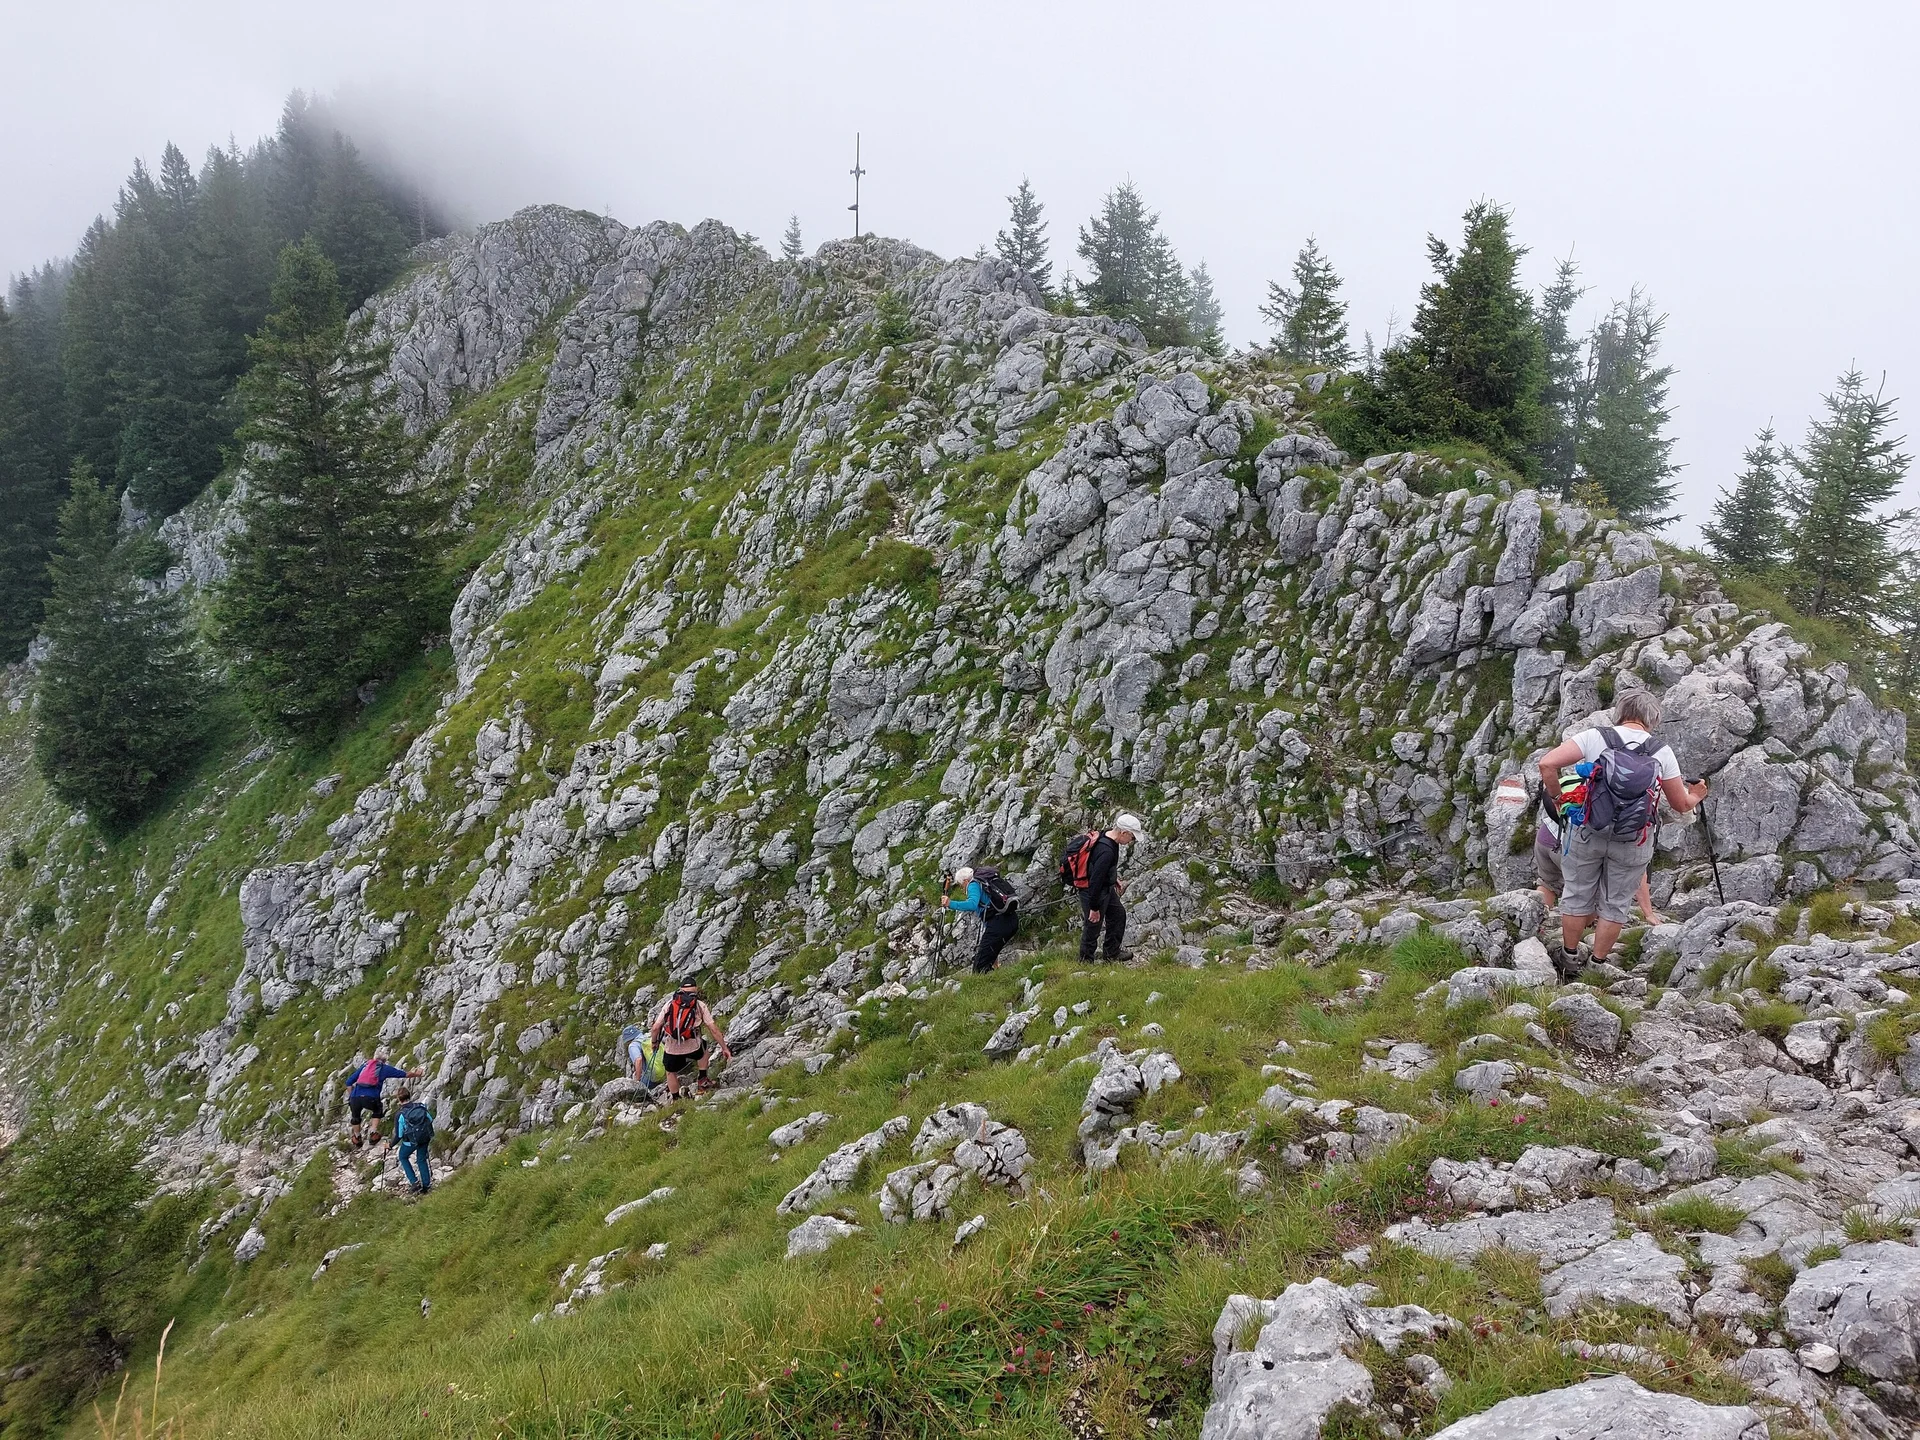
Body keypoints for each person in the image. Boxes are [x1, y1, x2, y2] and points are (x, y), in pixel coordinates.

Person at [1536, 689, 1704, 974]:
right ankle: (1598, 965)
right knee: (1615, 904)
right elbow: (1679, 804)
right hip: (1633, 838)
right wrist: (1697, 794)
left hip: (1588, 830)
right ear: (1653, 719)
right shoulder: (1660, 750)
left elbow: (1547, 764)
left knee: (1577, 894)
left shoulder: (1595, 737)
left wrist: (1558, 798)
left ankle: (1570, 958)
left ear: (1620, 712)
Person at [1536, 763, 1661, 927]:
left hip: (1546, 836)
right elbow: (1637, 873)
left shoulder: (1595, 781)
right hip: (1571, 843)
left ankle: (1537, 924)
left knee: (1547, 883)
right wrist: (1649, 913)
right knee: (1592, 896)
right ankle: (1574, 934)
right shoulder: (1632, 811)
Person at [1065, 813, 1143, 963]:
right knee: (1093, 925)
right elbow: (1095, 881)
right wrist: (1094, 908)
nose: (1131, 841)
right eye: (1132, 837)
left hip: (1105, 887)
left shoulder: (1107, 836)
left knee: (1118, 914)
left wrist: (1114, 879)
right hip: (1094, 892)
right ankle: (1085, 961)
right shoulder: (1106, 851)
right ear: (1124, 833)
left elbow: (1100, 868)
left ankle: (1112, 953)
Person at [649, 981, 732, 1099]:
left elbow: (656, 1028)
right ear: (696, 990)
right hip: (693, 1046)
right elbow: (713, 1029)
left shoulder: (670, 1004)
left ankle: (676, 1099)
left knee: (670, 1072)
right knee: (704, 1047)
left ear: (681, 989)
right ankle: (702, 1081)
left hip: (672, 1048)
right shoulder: (699, 1005)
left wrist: (654, 1043)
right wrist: (724, 1048)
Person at [942, 864, 1020, 973]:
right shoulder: (985, 882)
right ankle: (996, 972)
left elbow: (972, 904)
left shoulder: (973, 884)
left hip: (999, 923)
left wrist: (950, 903)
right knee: (987, 956)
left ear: (965, 881)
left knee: (978, 969)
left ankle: (989, 985)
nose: (962, 889)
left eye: (961, 885)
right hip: (1011, 920)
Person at [341, 1051, 422, 1149]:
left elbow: (349, 1082)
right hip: (371, 1097)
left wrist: (351, 1097)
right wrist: (417, 1074)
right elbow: (403, 1074)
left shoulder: (365, 1066)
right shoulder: (384, 1068)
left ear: (374, 1058)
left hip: (355, 1097)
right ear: (384, 1061)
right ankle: (373, 1133)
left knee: (355, 1117)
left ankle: (357, 1137)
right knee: (377, 1110)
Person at [392, 1087, 435, 1194]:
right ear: (409, 1095)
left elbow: (399, 1135)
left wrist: (390, 1145)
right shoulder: (420, 1107)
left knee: (403, 1156)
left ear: (399, 1099)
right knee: (421, 1160)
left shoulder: (400, 1114)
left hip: (410, 1141)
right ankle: (426, 1186)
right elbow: (430, 1119)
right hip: (424, 1138)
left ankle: (414, 1182)